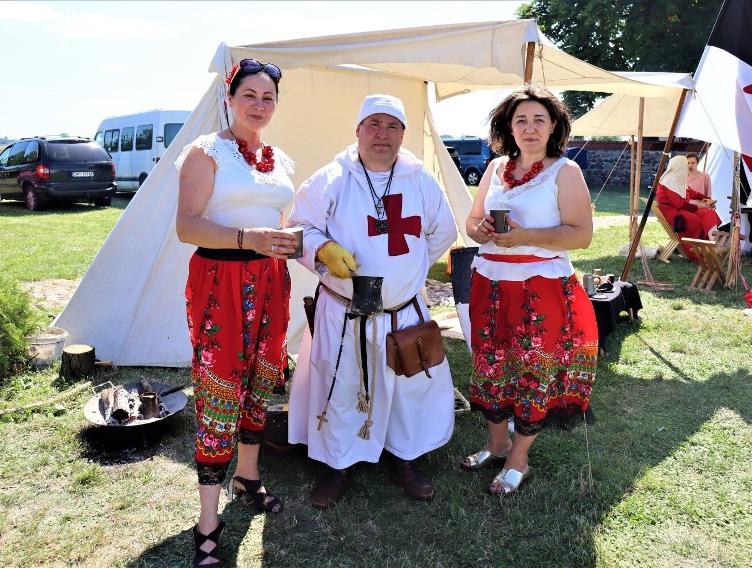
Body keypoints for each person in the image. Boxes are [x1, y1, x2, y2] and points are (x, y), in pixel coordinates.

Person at [287, 94, 458, 508]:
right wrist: (323, 248)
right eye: (374, 124)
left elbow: (442, 232)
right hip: (345, 311)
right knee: (341, 384)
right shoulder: (331, 178)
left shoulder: (419, 180)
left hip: (402, 312)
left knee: (407, 387)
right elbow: (297, 230)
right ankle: (337, 465)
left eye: (393, 126)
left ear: (402, 133)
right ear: (358, 130)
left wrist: (409, 274)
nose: (383, 134)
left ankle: (405, 459)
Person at [175, 59, 297, 567]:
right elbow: (187, 226)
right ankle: (207, 518)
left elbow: (280, 223)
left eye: (268, 97)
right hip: (221, 280)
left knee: (261, 380)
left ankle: (248, 475)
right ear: (230, 97)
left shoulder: (280, 158)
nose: (259, 105)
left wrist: (293, 243)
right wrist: (250, 239)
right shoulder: (205, 152)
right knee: (220, 388)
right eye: (250, 94)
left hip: (271, 282)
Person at [461, 84, 598, 495]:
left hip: (541, 286)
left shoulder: (565, 171)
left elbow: (582, 235)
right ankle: (497, 444)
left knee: (532, 369)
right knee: (491, 362)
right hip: (490, 281)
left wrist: (525, 237)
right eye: (521, 119)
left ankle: (519, 458)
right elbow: (470, 221)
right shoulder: (494, 169)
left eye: (539, 119)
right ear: (509, 126)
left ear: (554, 125)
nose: (530, 127)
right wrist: (479, 228)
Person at [656, 155, 722, 262]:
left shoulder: (677, 177)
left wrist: (706, 198)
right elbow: (679, 204)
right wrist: (697, 206)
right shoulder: (669, 180)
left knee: (708, 212)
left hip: (681, 209)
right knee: (694, 221)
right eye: (686, 164)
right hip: (673, 212)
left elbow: (690, 192)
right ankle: (696, 253)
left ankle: (713, 243)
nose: (687, 167)